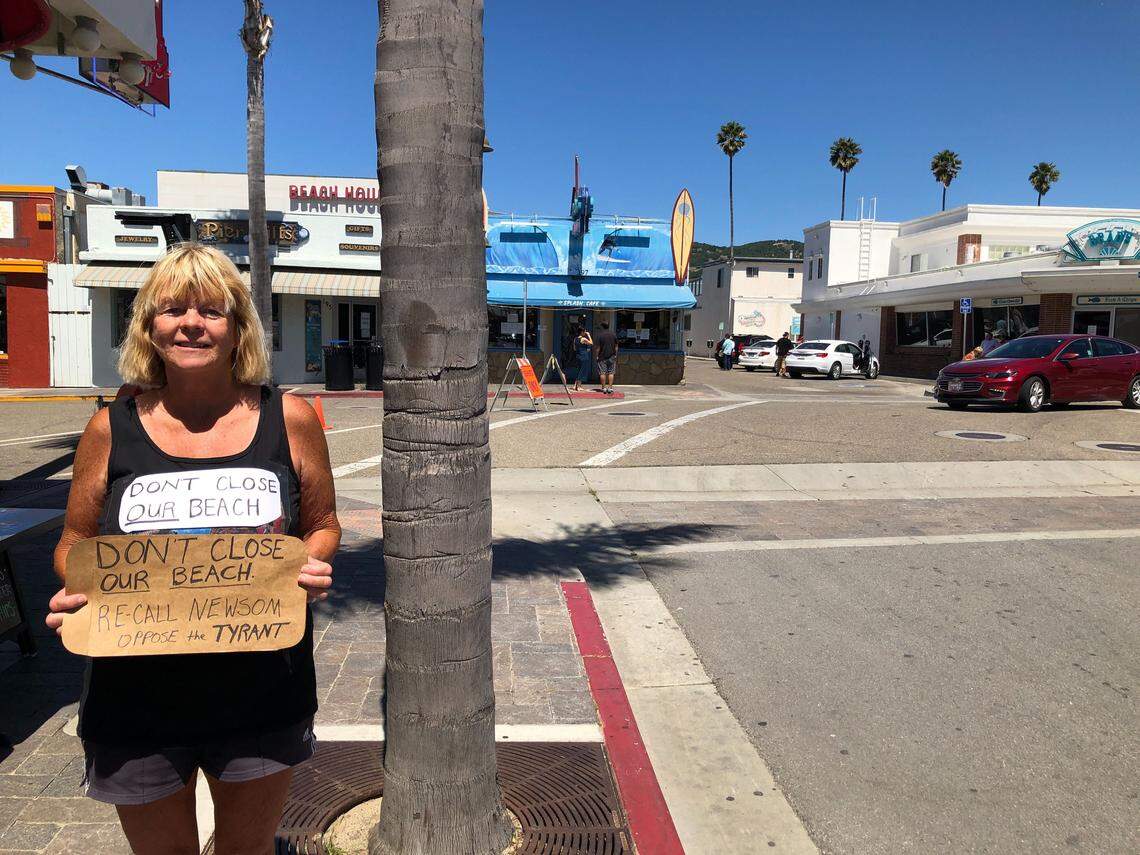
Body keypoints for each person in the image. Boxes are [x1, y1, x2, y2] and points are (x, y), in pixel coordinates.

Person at [45, 244, 340, 855]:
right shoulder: (110, 427)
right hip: (134, 693)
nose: (191, 323)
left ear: (237, 329)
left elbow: (324, 522)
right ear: (148, 325)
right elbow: (77, 541)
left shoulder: (288, 418)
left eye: (211, 310)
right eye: (172, 308)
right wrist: (78, 590)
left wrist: (310, 562)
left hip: (262, 685)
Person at [593, 321, 619, 394]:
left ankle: (604, 388)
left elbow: (598, 347)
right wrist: (615, 354)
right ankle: (610, 388)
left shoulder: (600, 335)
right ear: (608, 326)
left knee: (602, 373)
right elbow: (616, 346)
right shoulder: (613, 334)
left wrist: (597, 355)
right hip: (612, 356)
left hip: (602, 357)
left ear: (602, 327)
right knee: (611, 372)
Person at [572, 324, 593, 392]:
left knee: (579, 370)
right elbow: (591, 343)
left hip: (578, 356)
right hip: (584, 356)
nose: (585, 332)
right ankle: (578, 386)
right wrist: (589, 335)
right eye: (585, 331)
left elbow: (574, 348)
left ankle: (575, 385)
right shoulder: (583, 339)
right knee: (582, 371)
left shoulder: (575, 339)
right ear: (582, 332)